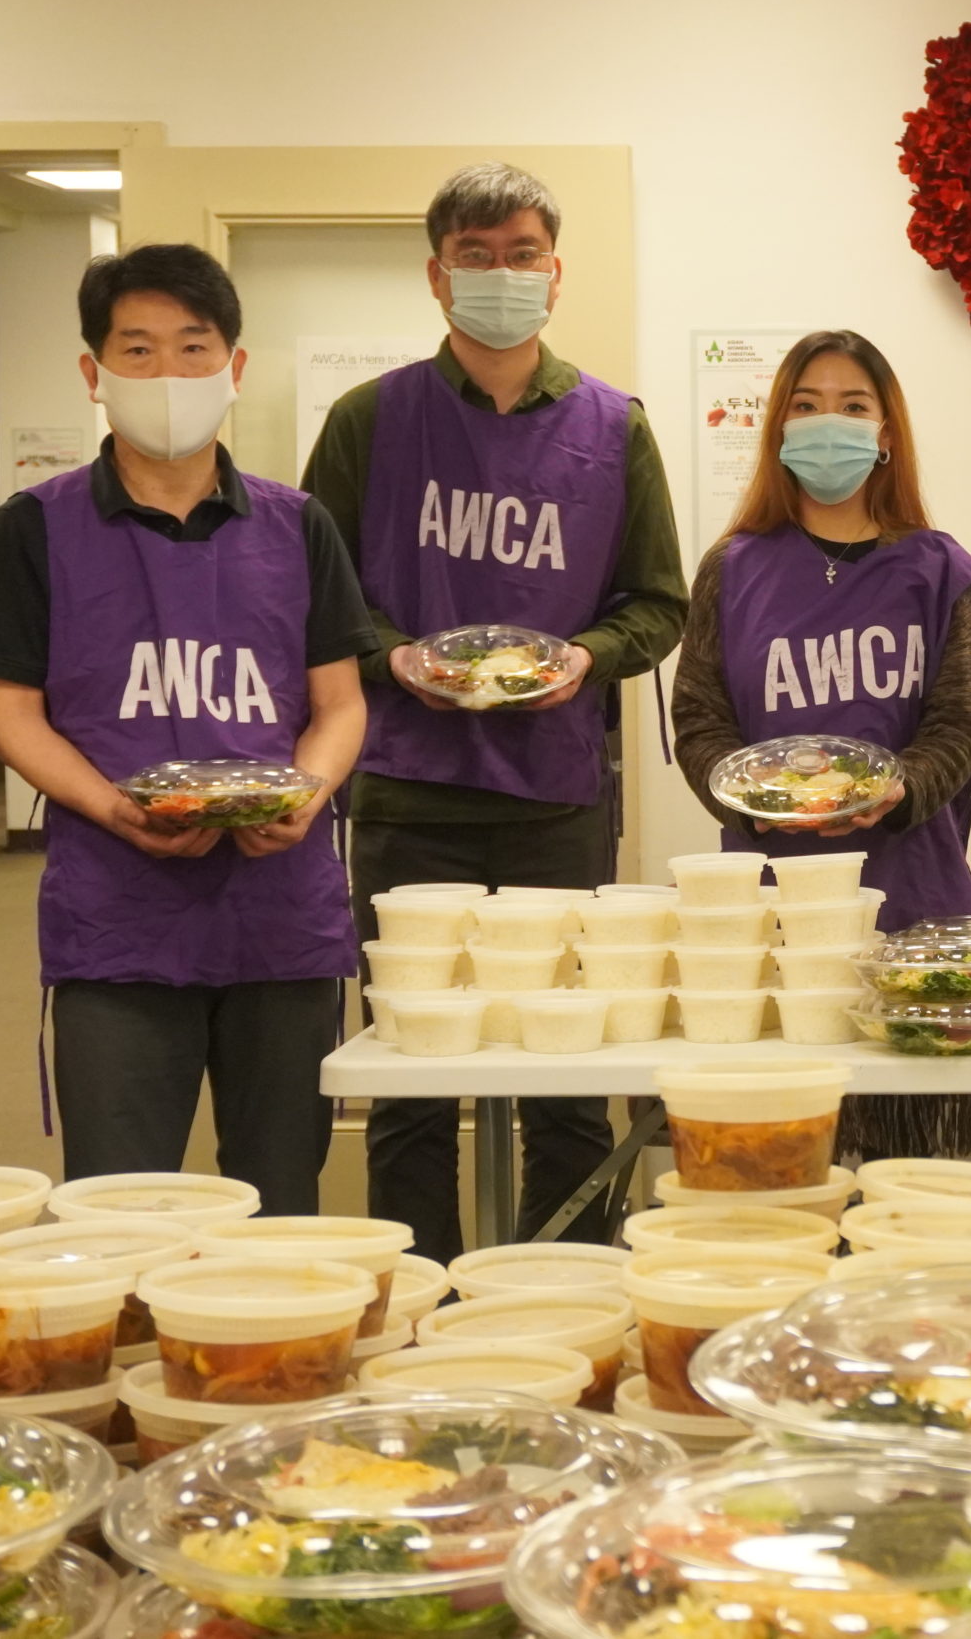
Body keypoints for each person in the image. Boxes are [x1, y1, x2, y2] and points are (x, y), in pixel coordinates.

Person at [303, 162, 686, 1264]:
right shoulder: (370, 421)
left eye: (522, 254)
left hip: (555, 799)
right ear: (437, 275)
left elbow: (659, 604)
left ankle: (562, 1293)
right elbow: (311, 601)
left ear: (554, 274)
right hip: (407, 791)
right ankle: (423, 1295)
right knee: (412, 1079)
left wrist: (585, 659)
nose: (501, 274)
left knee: (568, 1076)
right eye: (476, 255)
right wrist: (393, 657)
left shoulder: (614, 427)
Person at [0, 244, 372, 1214]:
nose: (169, 375)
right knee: (119, 1201)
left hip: (280, 915)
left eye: (193, 347)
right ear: (94, 372)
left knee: (280, 1197)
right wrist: (112, 806)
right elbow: (10, 710)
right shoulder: (36, 526)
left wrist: (306, 791)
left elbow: (340, 703)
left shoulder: (298, 525)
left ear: (235, 365)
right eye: (137, 351)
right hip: (119, 917)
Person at [672, 330, 971, 1159]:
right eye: (807, 405)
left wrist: (899, 789)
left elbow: (956, 727)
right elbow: (700, 722)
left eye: (853, 405)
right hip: (772, 902)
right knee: (784, 1171)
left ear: (885, 432)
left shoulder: (940, 570)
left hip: (910, 896)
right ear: (779, 428)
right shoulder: (731, 569)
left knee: (902, 1181)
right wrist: (748, 798)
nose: (829, 422)